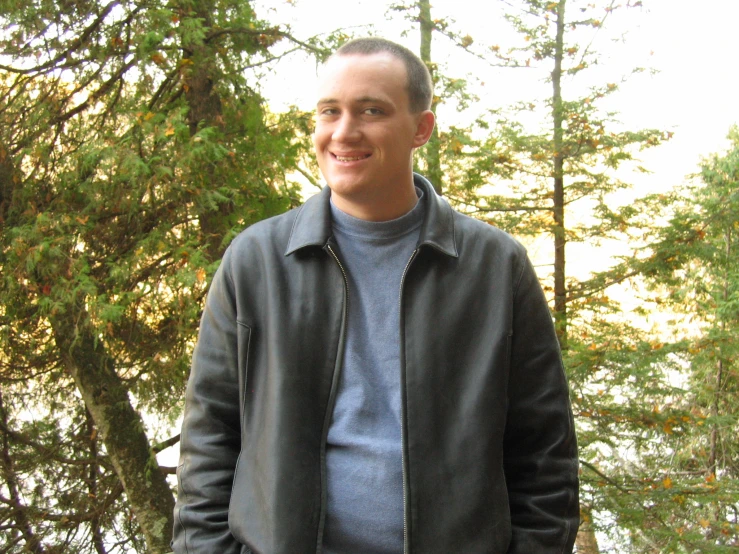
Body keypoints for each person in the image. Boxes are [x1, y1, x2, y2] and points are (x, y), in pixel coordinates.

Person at [172, 37, 579, 554]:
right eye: (329, 111)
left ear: (421, 129)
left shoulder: (494, 267)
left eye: (372, 110)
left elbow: (544, 455)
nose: (344, 132)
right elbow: (209, 439)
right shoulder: (256, 261)